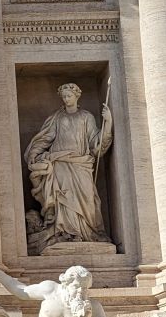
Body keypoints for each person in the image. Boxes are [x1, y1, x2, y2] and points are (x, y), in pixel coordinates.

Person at [24, 83, 112, 254]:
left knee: (88, 199)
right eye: (63, 96)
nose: (66, 99)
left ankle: (87, 232)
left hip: (81, 164)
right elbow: (45, 138)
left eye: (69, 96)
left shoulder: (86, 117)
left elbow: (96, 143)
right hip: (60, 163)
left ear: (77, 96)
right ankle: (64, 232)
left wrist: (108, 122)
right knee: (63, 199)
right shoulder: (56, 117)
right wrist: (35, 153)